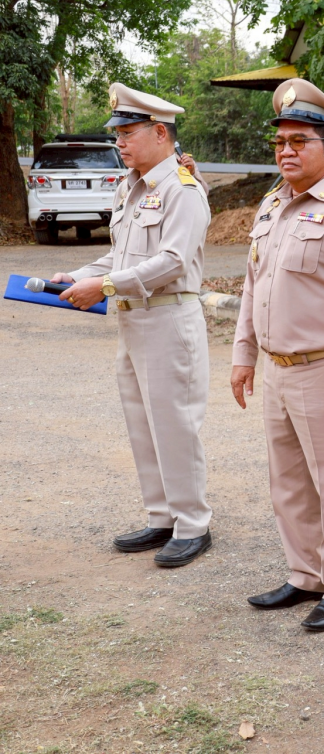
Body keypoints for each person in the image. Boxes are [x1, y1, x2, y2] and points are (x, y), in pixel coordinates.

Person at [231, 79, 324, 631]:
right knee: (289, 481)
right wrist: (244, 353)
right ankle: (306, 574)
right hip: (277, 368)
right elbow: (253, 284)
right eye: (281, 142)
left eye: (300, 141)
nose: (287, 151)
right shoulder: (273, 205)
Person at [52, 83, 212, 567]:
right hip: (133, 319)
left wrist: (103, 287)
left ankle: (193, 524)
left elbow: (172, 261)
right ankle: (162, 516)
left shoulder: (182, 190)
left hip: (168, 317)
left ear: (160, 133)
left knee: (175, 424)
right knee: (143, 423)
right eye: (117, 134)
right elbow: (120, 256)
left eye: (127, 133)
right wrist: (78, 275)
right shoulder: (131, 188)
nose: (119, 142)